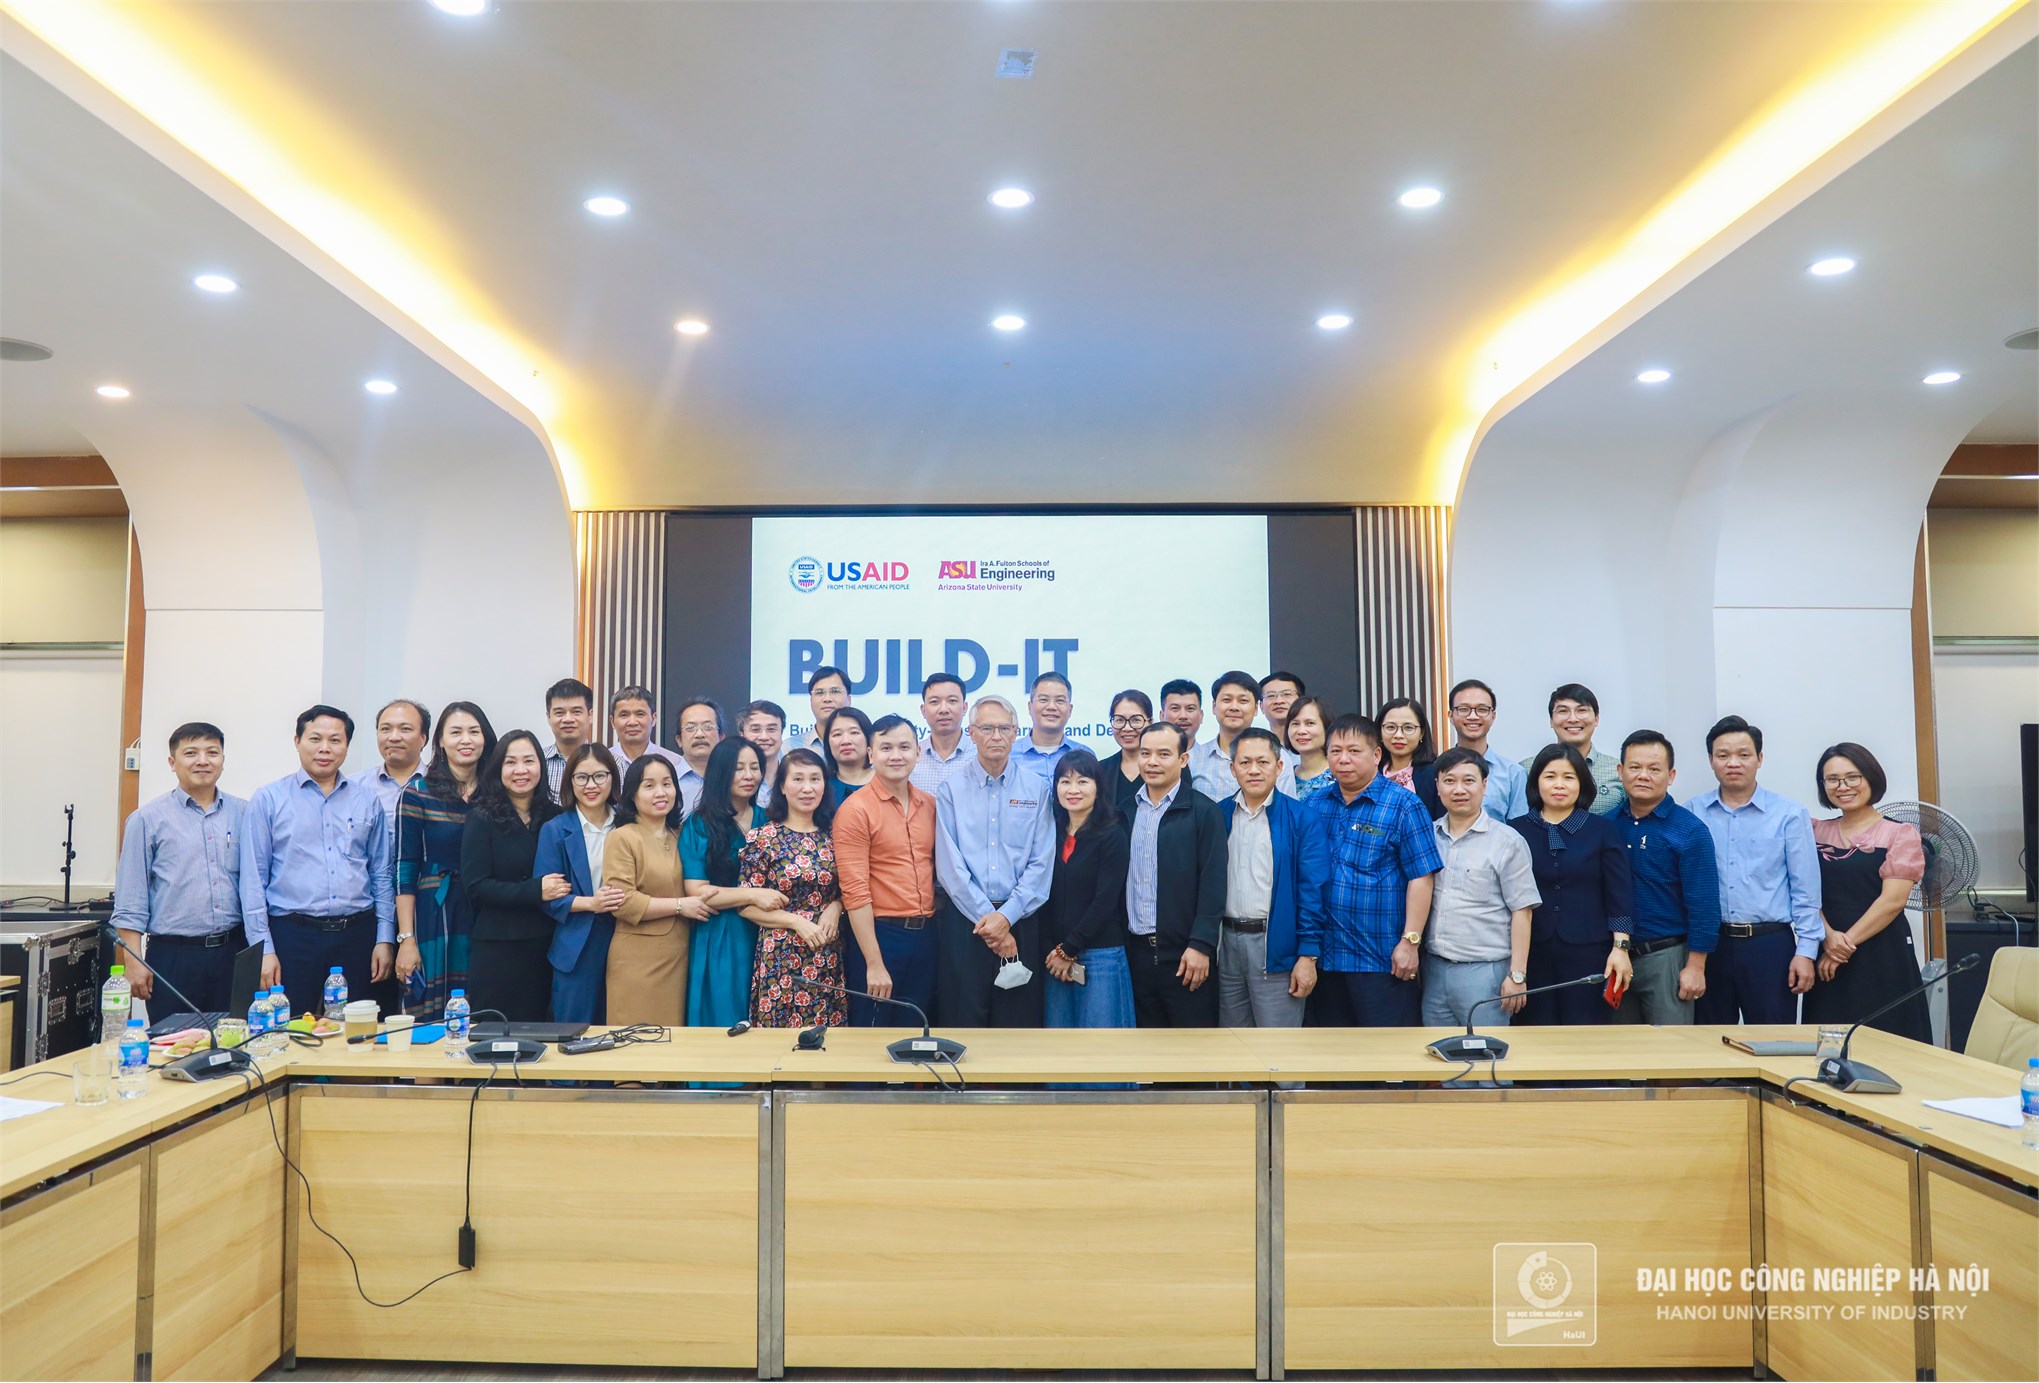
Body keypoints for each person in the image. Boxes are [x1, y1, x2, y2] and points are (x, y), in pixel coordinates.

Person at [239, 706, 395, 1016]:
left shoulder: (366, 800)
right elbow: (253, 880)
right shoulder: (269, 799)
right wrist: (264, 949)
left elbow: (381, 873)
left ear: (347, 746)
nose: (325, 748)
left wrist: (384, 938)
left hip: (358, 934)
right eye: (315, 739)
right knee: (291, 1027)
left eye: (335, 740)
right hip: (293, 935)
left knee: (360, 1029)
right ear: (297, 741)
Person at [1301, 714, 1442, 1026]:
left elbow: (1421, 877)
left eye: (1354, 751)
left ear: (1377, 754)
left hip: (1381, 958)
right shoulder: (1314, 804)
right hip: (1325, 958)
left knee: (1387, 1050)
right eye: (1335, 751)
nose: (1343, 760)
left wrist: (1410, 942)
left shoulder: (1404, 805)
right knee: (1329, 1050)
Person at [1690, 715, 1821, 1025]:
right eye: (1723, 755)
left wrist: (1806, 951)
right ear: (1711, 760)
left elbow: (1806, 889)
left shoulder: (1789, 814)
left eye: (1744, 754)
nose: (1733, 763)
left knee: (1773, 1039)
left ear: (1759, 759)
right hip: (1711, 945)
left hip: (1769, 946)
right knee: (1708, 1040)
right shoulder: (1692, 812)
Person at [934, 696, 1056, 1027]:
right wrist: (992, 923)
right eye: (987, 728)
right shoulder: (950, 790)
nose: (996, 736)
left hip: (1022, 920)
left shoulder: (1037, 789)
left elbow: (1041, 863)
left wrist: (1006, 917)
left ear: (1016, 732)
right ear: (971, 733)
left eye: (1004, 728)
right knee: (963, 1020)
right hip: (966, 922)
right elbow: (950, 867)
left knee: (1018, 1023)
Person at [111, 722, 246, 1014]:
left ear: (223, 760)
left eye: (212, 752)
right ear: (172, 762)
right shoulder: (146, 820)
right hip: (173, 956)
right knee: (174, 1040)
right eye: (191, 753)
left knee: (236, 1036)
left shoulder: (244, 814)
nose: (203, 761)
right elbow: (130, 899)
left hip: (234, 952)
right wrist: (132, 960)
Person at [1803, 743, 1929, 1042]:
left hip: (1882, 951)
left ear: (1871, 777)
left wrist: (1842, 946)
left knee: (1889, 1040)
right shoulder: (1812, 831)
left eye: (1852, 777)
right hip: (1826, 945)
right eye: (1832, 779)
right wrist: (1828, 936)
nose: (1843, 786)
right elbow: (1802, 891)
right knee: (1827, 1043)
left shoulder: (1899, 834)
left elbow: (1892, 901)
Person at [1508, 745, 1635, 1025]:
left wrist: (1621, 947)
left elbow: (1619, 893)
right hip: (1532, 952)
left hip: (1589, 951)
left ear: (1582, 783)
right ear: (1536, 782)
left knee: (1585, 1032)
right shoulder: (1515, 831)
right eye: (1550, 776)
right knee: (1534, 1030)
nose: (1559, 785)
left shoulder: (1602, 830)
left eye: (1569, 777)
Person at [1421, 747, 1539, 1029]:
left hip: (1486, 973)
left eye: (1469, 781)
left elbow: (1523, 911)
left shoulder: (1508, 842)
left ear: (1484, 786)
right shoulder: (1427, 836)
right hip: (1434, 969)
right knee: (1438, 1053)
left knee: (1487, 1054)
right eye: (1449, 781)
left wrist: (1517, 975)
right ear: (1437, 786)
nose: (1459, 789)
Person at [835, 714, 940, 1025]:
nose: (896, 756)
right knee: (872, 1036)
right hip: (880, 936)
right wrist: (874, 962)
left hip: (926, 936)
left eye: (905, 747)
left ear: (918, 752)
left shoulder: (930, 805)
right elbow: (855, 892)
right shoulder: (855, 809)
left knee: (916, 1034)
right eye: (886, 748)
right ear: (871, 754)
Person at [393, 702, 495, 1020]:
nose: (466, 740)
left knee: (482, 1008)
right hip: (433, 913)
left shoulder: (496, 794)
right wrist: (407, 939)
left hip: (485, 910)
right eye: (456, 732)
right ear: (440, 740)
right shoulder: (418, 793)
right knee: (430, 1016)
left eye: (474, 731)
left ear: (485, 738)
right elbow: (405, 869)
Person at [1611, 730, 1720, 1025]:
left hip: (1667, 957)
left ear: (1671, 776)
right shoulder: (1607, 825)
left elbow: (1704, 905)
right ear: (1621, 772)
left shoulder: (1689, 830)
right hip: (1615, 957)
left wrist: (1696, 967)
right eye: (1635, 767)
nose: (1643, 775)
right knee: (1616, 1047)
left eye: (1654, 769)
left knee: (1672, 1047)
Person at [1217, 728, 1322, 1027]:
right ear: (1233, 768)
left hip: (1275, 946)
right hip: (1226, 946)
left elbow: (1312, 891)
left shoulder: (1302, 818)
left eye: (1262, 762)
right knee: (1233, 1043)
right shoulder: (1218, 815)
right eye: (1245, 762)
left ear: (1279, 767)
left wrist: (1308, 956)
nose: (1253, 770)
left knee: (1278, 1046)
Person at [1125, 722, 1227, 1027]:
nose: (1152, 762)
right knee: (1145, 1048)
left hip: (1186, 955)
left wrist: (1201, 945)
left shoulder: (1204, 812)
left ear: (1183, 759)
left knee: (1192, 1049)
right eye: (1145, 753)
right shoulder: (1124, 811)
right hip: (1135, 954)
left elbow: (1213, 884)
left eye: (1163, 754)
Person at [460, 730, 563, 1021]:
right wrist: (535, 891)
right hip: (497, 946)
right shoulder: (481, 817)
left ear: (541, 766)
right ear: (498, 769)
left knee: (544, 1034)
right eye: (511, 762)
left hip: (547, 944)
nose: (521, 770)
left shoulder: (555, 816)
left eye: (529, 761)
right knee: (495, 1033)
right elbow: (476, 886)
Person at [741, 749, 848, 1026]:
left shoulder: (837, 834)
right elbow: (745, 906)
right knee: (778, 1041)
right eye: (798, 779)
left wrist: (836, 907)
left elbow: (851, 888)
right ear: (782, 786)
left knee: (827, 1038)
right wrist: (796, 922)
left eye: (815, 779)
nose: (807, 788)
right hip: (780, 955)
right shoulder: (763, 837)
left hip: (826, 952)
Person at [604, 755, 712, 1026]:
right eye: (649, 786)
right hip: (639, 960)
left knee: (677, 1041)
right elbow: (623, 902)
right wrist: (680, 905)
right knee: (638, 1039)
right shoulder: (622, 837)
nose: (661, 793)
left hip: (683, 953)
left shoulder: (682, 833)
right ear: (633, 794)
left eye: (667, 783)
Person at [680, 736, 775, 1028]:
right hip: (722, 933)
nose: (749, 775)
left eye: (754, 767)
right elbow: (697, 891)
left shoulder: (770, 820)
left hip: (768, 931)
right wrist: (753, 895)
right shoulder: (699, 824)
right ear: (721, 772)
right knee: (724, 1018)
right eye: (738, 768)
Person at [1040, 750, 1135, 1028]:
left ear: (1098, 787)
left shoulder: (1112, 833)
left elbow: (1106, 900)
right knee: (1060, 1045)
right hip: (1055, 957)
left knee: (1100, 1046)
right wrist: (1057, 951)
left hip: (1100, 955)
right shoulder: (1050, 832)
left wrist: (1069, 949)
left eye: (1082, 781)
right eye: (1065, 782)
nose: (1073, 790)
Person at [535, 743, 628, 1025]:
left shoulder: (628, 825)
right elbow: (548, 897)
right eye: (581, 777)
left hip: (625, 938)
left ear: (612, 778)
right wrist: (592, 903)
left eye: (600, 776)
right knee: (574, 1032)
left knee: (622, 1030)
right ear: (570, 781)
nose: (591, 785)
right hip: (576, 945)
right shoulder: (555, 829)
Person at [1188, 670, 1295, 801]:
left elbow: (1287, 808)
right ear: (1214, 706)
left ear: (1256, 709)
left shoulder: (1278, 756)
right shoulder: (1192, 759)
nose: (1234, 707)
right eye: (1227, 700)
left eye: (1243, 701)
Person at [1522, 684, 1624, 816]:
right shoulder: (1525, 770)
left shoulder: (1617, 771)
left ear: (1596, 719)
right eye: (1563, 711)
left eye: (1582, 710)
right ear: (1551, 720)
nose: (1573, 719)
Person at [1445, 678, 1529, 823]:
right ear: (1451, 716)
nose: (1473, 716)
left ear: (1493, 716)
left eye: (1482, 710)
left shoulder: (1513, 774)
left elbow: (1519, 829)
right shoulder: (1437, 770)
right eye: (1463, 709)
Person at [1376, 696, 1441, 816]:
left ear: (1421, 733)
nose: (1398, 735)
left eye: (1408, 728)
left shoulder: (1435, 775)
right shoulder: (1369, 773)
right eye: (1390, 727)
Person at [908, 672, 972, 793]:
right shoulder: (909, 757)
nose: (943, 709)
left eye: (952, 701)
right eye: (934, 702)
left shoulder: (981, 756)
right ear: (923, 710)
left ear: (964, 708)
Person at [1095, 689, 1154, 818]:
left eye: (1136, 720)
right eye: (1119, 720)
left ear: (1150, 722)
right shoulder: (1100, 770)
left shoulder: (1170, 767)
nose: (1127, 728)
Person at [1012, 671, 1076, 781]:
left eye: (1060, 700)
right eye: (1043, 700)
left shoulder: (1084, 755)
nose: (1051, 707)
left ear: (1070, 710)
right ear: (1030, 707)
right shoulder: (1008, 756)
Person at [371, 699, 431, 815]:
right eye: (385, 729)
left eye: (405, 729)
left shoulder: (443, 786)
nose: (394, 737)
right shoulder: (355, 786)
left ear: (423, 738)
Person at [608, 685, 682, 775]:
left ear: (653, 719)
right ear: (612, 721)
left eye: (640, 714)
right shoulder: (602, 763)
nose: (632, 722)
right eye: (624, 715)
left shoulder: (675, 763)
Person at [541, 678, 595, 800]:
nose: (568, 719)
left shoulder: (613, 764)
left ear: (590, 715)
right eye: (559, 713)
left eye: (576, 712)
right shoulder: (536, 763)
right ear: (548, 717)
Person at [672, 695, 724, 815]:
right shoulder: (668, 780)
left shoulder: (735, 779)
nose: (699, 734)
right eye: (690, 728)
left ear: (721, 737)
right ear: (679, 740)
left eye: (708, 727)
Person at [819, 706, 876, 805]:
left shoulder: (887, 782)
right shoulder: (821, 787)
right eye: (837, 734)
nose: (845, 741)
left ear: (868, 738)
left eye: (854, 732)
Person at [738, 700, 787, 808]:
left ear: (781, 734)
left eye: (771, 729)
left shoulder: (792, 775)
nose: (764, 737)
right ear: (742, 735)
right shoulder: (732, 780)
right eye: (756, 730)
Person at [1285, 696, 1335, 801]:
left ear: (1326, 727)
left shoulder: (1340, 775)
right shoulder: (1284, 777)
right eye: (1295, 724)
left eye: (1310, 723)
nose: (1301, 731)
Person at [792, 665, 852, 749]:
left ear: (849, 699)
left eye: (835, 691)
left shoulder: (864, 745)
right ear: (811, 700)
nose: (827, 699)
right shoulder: (789, 748)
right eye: (819, 692)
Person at [1159, 678, 1206, 761]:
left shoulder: (1215, 761)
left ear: (1201, 715)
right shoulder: (1148, 760)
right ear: (1162, 716)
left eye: (1190, 709)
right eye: (1175, 708)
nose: (1183, 716)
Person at [1258, 671, 1305, 745]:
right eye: (1271, 696)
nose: (1279, 701)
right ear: (1261, 706)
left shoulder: (1317, 744)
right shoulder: (1255, 745)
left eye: (1287, 694)